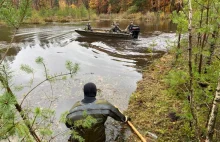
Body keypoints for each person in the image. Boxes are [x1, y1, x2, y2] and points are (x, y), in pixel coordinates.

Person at [65, 82, 130, 142]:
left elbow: (68, 125)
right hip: (98, 140)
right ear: (95, 92)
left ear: (84, 93)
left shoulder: (74, 109)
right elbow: (117, 115)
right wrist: (125, 118)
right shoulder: (104, 105)